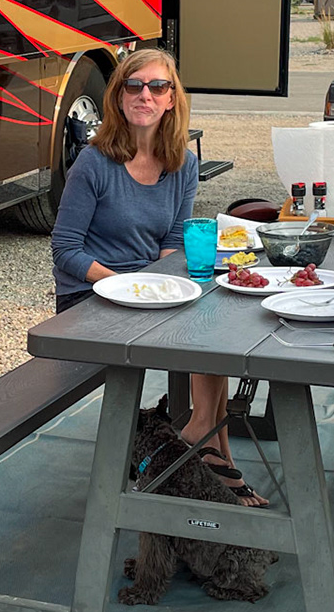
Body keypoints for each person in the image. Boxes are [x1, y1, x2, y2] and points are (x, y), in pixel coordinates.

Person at [50, 51, 264, 506]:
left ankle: (206, 436)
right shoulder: (93, 163)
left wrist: (166, 283)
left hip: (145, 292)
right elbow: (66, 250)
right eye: (134, 85)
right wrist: (129, 285)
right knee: (204, 324)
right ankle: (209, 447)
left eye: (157, 87)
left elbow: (171, 240)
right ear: (119, 96)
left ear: (172, 99)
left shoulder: (182, 163)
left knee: (216, 313)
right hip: (91, 297)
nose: (145, 94)